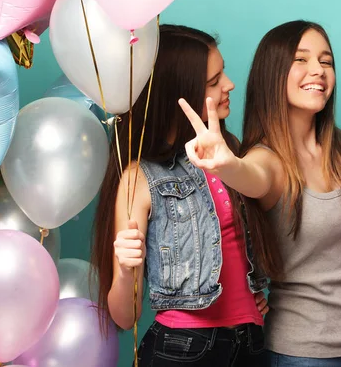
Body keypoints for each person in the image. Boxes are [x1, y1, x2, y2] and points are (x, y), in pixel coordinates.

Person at [179, 20, 341, 367]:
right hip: (302, 356)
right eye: (301, 60)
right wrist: (226, 165)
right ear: (273, 74)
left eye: (326, 61)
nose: (318, 70)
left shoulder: (338, 147)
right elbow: (249, 176)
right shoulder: (266, 160)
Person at [91, 24, 270, 367]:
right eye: (214, 82)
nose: (229, 85)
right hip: (183, 349)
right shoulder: (140, 178)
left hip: (251, 344)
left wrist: (254, 299)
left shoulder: (231, 154)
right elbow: (124, 317)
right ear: (180, 93)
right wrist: (127, 271)